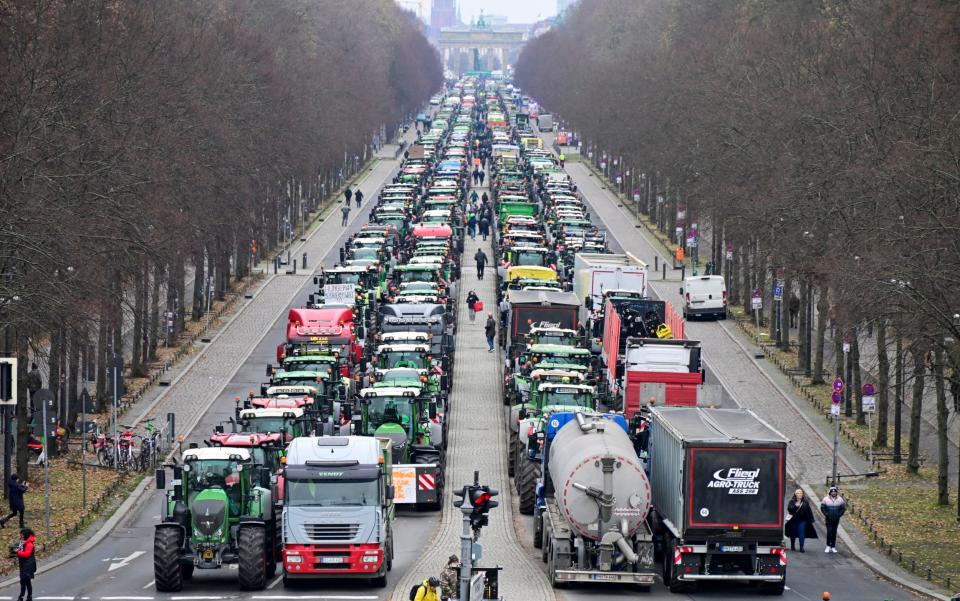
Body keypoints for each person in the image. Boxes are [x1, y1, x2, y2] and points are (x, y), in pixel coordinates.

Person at [820, 486, 846, 553]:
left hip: (836, 519)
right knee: (829, 532)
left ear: (836, 493)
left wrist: (839, 515)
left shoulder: (840, 499)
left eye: (835, 492)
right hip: (828, 519)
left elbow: (843, 508)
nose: (834, 493)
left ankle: (833, 546)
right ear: (830, 492)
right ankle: (828, 546)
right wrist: (826, 514)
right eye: (832, 492)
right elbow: (822, 507)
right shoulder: (825, 499)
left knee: (834, 532)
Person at [15, 528, 35, 601]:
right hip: (23, 565)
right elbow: (20, 549)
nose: (21, 536)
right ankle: (28, 597)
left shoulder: (29, 544)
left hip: (28, 566)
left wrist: (18, 552)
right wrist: (17, 550)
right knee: (25, 582)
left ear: (25, 535)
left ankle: (22, 597)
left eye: (22, 534)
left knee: (24, 581)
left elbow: (26, 554)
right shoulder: (23, 542)